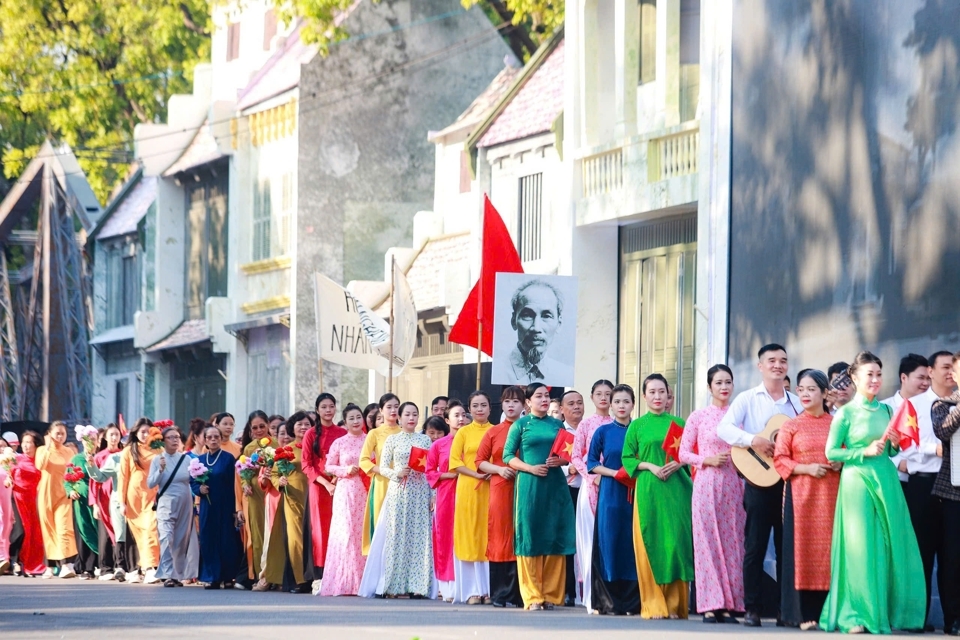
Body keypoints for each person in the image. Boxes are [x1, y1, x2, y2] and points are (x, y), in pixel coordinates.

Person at [819, 352, 926, 634]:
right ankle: (855, 614)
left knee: (889, 546)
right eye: (869, 374)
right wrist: (861, 451)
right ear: (854, 378)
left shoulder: (887, 410)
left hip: (886, 481)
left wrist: (894, 444)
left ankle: (887, 611)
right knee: (860, 549)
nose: (876, 379)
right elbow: (831, 452)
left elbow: (892, 450)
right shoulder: (845, 413)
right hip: (857, 482)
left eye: (879, 374)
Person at [716, 343, 800, 626]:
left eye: (783, 361)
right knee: (755, 546)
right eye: (772, 360)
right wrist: (753, 440)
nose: (778, 365)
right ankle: (751, 608)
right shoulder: (748, 399)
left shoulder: (796, 403)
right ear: (760, 366)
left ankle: (784, 609)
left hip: (789, 483)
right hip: (759, 479)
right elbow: (724, 428)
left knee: (787, 546)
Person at [773, 369, 840, 630]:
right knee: (800, 550)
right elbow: (780, 459)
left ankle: (829, 612)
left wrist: (839, 461)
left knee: (830, 550)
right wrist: (807, 468)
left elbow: (846, 450)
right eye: (801, 389)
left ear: (825, 393)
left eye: (812, 389)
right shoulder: (791, 425)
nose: (805, 394)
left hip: (832, 495)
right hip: (800, 497)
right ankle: (800, 614)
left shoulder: (836, 422)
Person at [623, 373, 694, 619]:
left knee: (675, 545)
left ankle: (675, 606)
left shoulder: (679, 423)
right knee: (649, 543)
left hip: (677, 491)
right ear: (644, 396)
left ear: (668, 395)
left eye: (661, 391)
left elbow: (690, 454)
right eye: (652, 392)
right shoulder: (637, 425)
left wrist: (677, 464)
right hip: (649, 491)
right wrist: (651, 466)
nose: (657, 396)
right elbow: (628, 458)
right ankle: (653, 605)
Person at [678, 364, 744, 623]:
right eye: (718, 383)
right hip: (706, 483)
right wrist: (707, 460)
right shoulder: (699, 416)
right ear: (709, 387)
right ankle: (709, 604)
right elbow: (683, 453)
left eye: (728, 382)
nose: (724, 387)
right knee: (706, 543)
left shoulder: (739, 415)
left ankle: (729, 605)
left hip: (734, 484)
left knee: (733, 543)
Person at [503, 382, 576, 611]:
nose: (544, 400)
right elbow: (507, 456)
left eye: (546, 396)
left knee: (554, 534)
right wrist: (529, 468)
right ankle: (533, 595)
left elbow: (568, 454)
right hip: (529, 486)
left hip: (555, 486)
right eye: (538, 396)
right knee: (530, 536)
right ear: (528, 401)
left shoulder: (557, 424)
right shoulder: (520, 425)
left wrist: (560, 461)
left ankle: (551, 595)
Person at [882, 353, 942, 631]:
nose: (924, 382)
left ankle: (923, 616)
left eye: (927, 377)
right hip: (896, 488)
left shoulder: (939, 405)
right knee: (905, 554)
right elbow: (881, 449)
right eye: (920, 377)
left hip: (925, 486)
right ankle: (900, 614)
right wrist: (901, 463)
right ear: (903, 377)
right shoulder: (885, 409)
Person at [585, 383, 640, 615]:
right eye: (616, 401)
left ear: (633, 404)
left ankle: (633, 602)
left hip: (637, 493)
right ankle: (608, 602)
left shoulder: (639, 429)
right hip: (610, 493)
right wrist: (615, 473)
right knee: (609, 542)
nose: (621, 406)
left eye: (625, 401)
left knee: (632, 544)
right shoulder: (603, 431)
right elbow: (591, 464)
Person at [371, 401, 434, 598]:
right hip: (399, 491)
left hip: (420, 491)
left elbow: (430, 470)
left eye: (415, 414)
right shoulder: (392, 440)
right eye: (407, 414)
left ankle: (418, 586)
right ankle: (393, 586)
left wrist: (433, 495)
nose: (411, 418)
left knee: (419, 537)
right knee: (396, 536)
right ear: (399, 417)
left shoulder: (425, 440)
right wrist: (397, 473)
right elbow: (383, 468)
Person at [477, 386, 525, 608]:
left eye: (516, 401)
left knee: (521, 534)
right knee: (499, 534)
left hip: (525, 487)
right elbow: (479, 462)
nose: (511, 405)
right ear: (502, 405)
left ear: (525, 405)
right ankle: (499, 594)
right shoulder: (493, 431)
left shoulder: (529, 428)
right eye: (507, 401)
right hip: (499, 486)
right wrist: (498, 470)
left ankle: (520, 594)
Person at [571, 379, 614, 611]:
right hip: (592, 487)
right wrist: (590, 477)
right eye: (599, 394)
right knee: (589, 541)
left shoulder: (622, 424)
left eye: (609, 394)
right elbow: (576, 457)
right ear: (592, 397)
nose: (604, 398)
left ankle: (612, 595)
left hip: (615, 487)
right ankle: (590, 596)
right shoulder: (586, 425)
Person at [320, 404, 369, 596]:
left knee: (361, 534)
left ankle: (362, 582)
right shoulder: (339, 442)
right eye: (352, 418)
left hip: (365, 490)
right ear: (346, 422)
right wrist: (345, 471)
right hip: (346, 490)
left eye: (359, 417)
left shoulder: (369, 440)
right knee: (346, 533)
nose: (356, 421)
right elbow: (328, 466)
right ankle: (342, 582)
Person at [450, 391, 494, 604]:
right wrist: (476, 474)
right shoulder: (463, 433)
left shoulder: (496, 431)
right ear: (469, 409)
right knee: (469, 535)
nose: (479, 409)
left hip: (492, 488)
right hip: (469, 488)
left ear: (490, 408)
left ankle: (489, 590)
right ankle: (471, 591)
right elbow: (454, 462)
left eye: (483, 405)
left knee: (488, 535)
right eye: (475, 405)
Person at [301, 393, 347, 593]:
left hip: (340, 484)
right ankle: (319, 575)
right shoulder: (311, 433)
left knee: (339, 529)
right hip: (319, 487)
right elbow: (306, 464)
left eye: (331, 406)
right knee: (320, 530)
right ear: (317, 410)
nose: (328, 410)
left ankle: (336, 571)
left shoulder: (342, 433)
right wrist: (326, 483)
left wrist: (337, 478)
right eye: (324, 407)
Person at [189, 426, 241, 589]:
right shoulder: (200, 460)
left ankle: (227, 576)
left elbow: (235, 483)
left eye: (216, 437)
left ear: (220, 438)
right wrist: (199, 490)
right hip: (207, 506)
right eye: (209, 437)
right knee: (208, 539)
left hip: (225, 506)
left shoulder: (228, 458)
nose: (213, 440)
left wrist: (235, 509)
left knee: (226, 540)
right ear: (204, 439)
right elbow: (193, 481)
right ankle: (212, 576)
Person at [147, 426, 199, 587]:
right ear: (163, 441)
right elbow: (151, 483)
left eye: (177, 437)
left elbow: (195, 480)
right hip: (166, 502)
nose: (175, 440)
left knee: (181, 539)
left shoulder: (187, 459)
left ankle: (177, 574)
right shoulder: (157, 460)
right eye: (171, 437)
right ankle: (168, 573)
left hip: (185, 502)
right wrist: (160, 470)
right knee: (166, 537)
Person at [931, 352, 960, 637]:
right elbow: (942, 431)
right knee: (952, 558)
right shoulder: (943, 405)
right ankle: (953, 618)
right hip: (953, 493)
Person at [268, 412, 312, 593]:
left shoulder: (314, 447)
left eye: (307, 424)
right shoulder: (286, 450)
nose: (303, 427)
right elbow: (273, 474)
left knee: (314, 538)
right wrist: (280, 482)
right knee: (296, 540)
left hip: (313, 496)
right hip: (293, 497)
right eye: (299, 424)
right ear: (292, 428)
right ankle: (300, 580)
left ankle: (315, 577)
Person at [242, 410, 284, 592]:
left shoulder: (277, 445)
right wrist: (244, 484)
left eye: (262, 426)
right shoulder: (249, 448)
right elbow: (246, 471)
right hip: (255, 496)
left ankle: (277, 575)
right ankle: (262, 576)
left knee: (275, 535)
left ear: (268, 425)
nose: (259, 430)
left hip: (274, 493)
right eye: (255, 428)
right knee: (258, 536)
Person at [501, 280, 570, 385]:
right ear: (513, 321)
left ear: (559, 324)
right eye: (527, 315)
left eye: (546, 316)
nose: (536, 328)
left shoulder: (566, 375)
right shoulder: (499, 371)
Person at [118, 418, 161, 584]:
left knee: (151, 529)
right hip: (134, 497)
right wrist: (122, 502)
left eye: (148, 431)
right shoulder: (129, 450)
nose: (145, 435)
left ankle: (151, 568)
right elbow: (123, 477)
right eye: (142, 431)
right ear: (135, 433)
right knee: (140, 534)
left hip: (153, 495)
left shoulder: (158, 449)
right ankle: (144, 568)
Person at [359, 394, 401, 555]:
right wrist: (383, 470)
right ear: (381, 410)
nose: (393, 410)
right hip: (382, 483)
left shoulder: (405, 432)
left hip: (401, 484)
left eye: (396, 406)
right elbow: (363, 460)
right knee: (380, 524)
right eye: (389, 407)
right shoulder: (374, 434)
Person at [36, 421, 78, 579]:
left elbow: (74, 472)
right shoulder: (41, 450)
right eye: (57, 433)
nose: (60, 436)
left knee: (64, 527)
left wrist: (73, 488)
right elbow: (40, 465)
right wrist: (47, 447)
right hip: (46, 494)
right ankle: (50, 566)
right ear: (49, 434)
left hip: (64, 494)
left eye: (63, 433)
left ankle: (66, 565)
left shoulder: (69, 452)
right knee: (49, 529)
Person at [86, 424, 128, 581]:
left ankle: (122, 566)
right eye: (111, 434)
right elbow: (95, 481)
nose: (114, 437)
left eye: (117, 434)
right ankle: (105, 567)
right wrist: (95, 504)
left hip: (122, 499)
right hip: (104, 500)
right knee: (105, 535)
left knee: (121, 533)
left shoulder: (125, 455)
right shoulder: (100, 456)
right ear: (105, 437)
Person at [426, 411, 457, 601]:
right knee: (445, 537)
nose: (461, 419)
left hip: (470, 492)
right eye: (456, 415)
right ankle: (445, 585)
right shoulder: (439, 445)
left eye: (464, 415)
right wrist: (449, 475)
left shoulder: (472, 441)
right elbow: (429, 472)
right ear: (448, 420)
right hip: (446, 494)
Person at [6, 430, 45, 576]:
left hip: (35, 501)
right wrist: (8, 479)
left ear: (36, 445)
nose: (26, 446)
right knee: (21, 530)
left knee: (34, 534)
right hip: (17, 499)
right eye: (24, 442)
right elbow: (7, 474)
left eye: (29, 442)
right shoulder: (16, 459)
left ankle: (30, 564)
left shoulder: (41, 461)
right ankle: (14, 561)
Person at [559, 389, 584, 606]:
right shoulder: (558, 431)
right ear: (562, 409)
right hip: (566, 491)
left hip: (590, 490)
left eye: (580, 403)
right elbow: (548, 463)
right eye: (572, 403)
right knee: (568, 540)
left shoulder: (592, 429)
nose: (576, 407)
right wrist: (569, 469)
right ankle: (569, 591)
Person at [66, 439, 99, 579]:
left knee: (99, 531)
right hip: (81, 500)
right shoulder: (76, 459)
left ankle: (104, 564)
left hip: (99, 500)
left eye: (93, 440)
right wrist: (71, 491)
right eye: (86, 440)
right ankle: (88, 568)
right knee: (84, 530)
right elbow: (67, 480)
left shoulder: (100, 457)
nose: (89, 443)